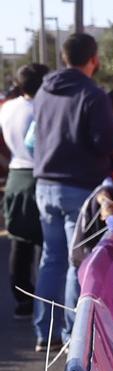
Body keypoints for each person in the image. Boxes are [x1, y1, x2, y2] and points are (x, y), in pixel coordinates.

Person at [31, 34, 113, 346]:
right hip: (79, 185)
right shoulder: (92, 93)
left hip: (44, 185)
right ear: (94, 59)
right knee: (75, 261)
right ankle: (71, 334)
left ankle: (45, 332)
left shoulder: (43, 89)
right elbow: (106, 142)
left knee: (50, 259)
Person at [2, 63, 47, 317]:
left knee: (19, 242)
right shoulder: (41, 108)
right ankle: (42, 298)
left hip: (14, 176)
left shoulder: (8, 108)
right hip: (37, 174)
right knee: (45, 242)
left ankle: (21, 298)